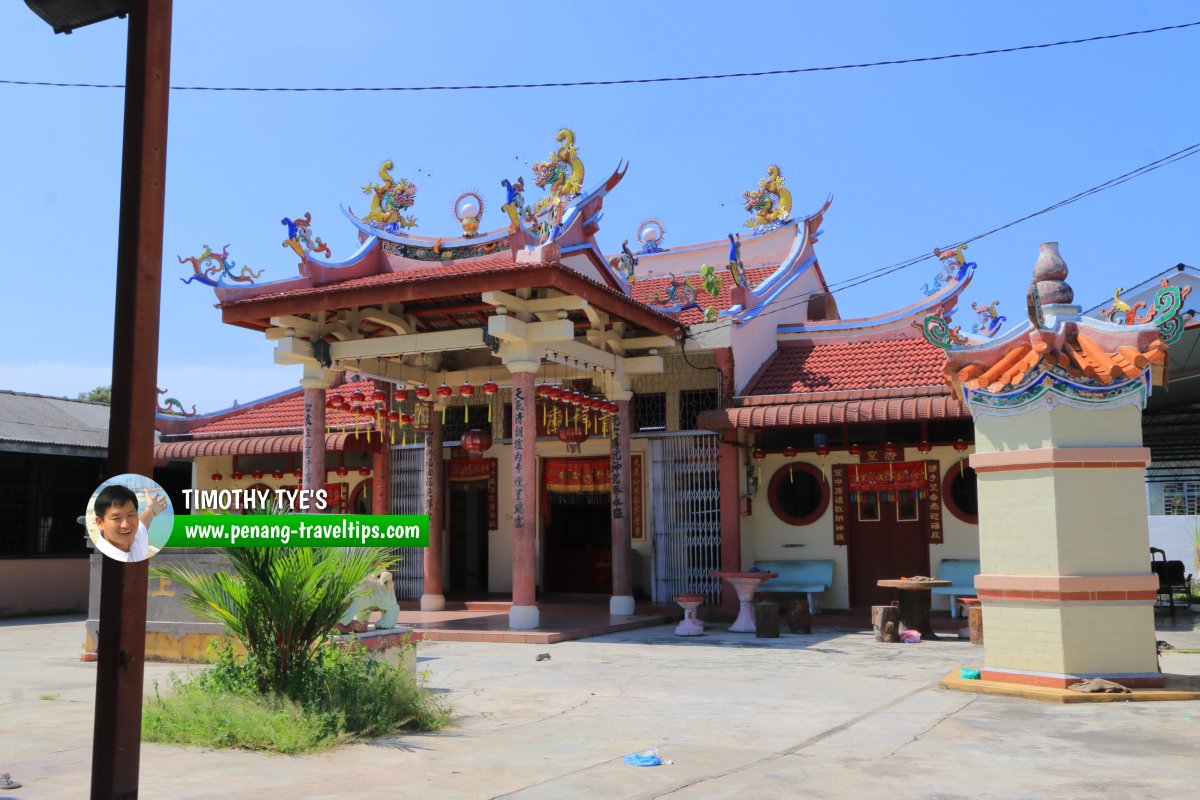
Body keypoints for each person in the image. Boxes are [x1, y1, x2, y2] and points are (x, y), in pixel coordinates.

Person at [91, 484, 166, 563]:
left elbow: (143, 523)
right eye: (116, 518)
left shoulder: (136, 537)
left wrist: (151, 509)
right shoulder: (101, 560)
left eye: (130, 515)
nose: (126, 525)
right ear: (100, 523)